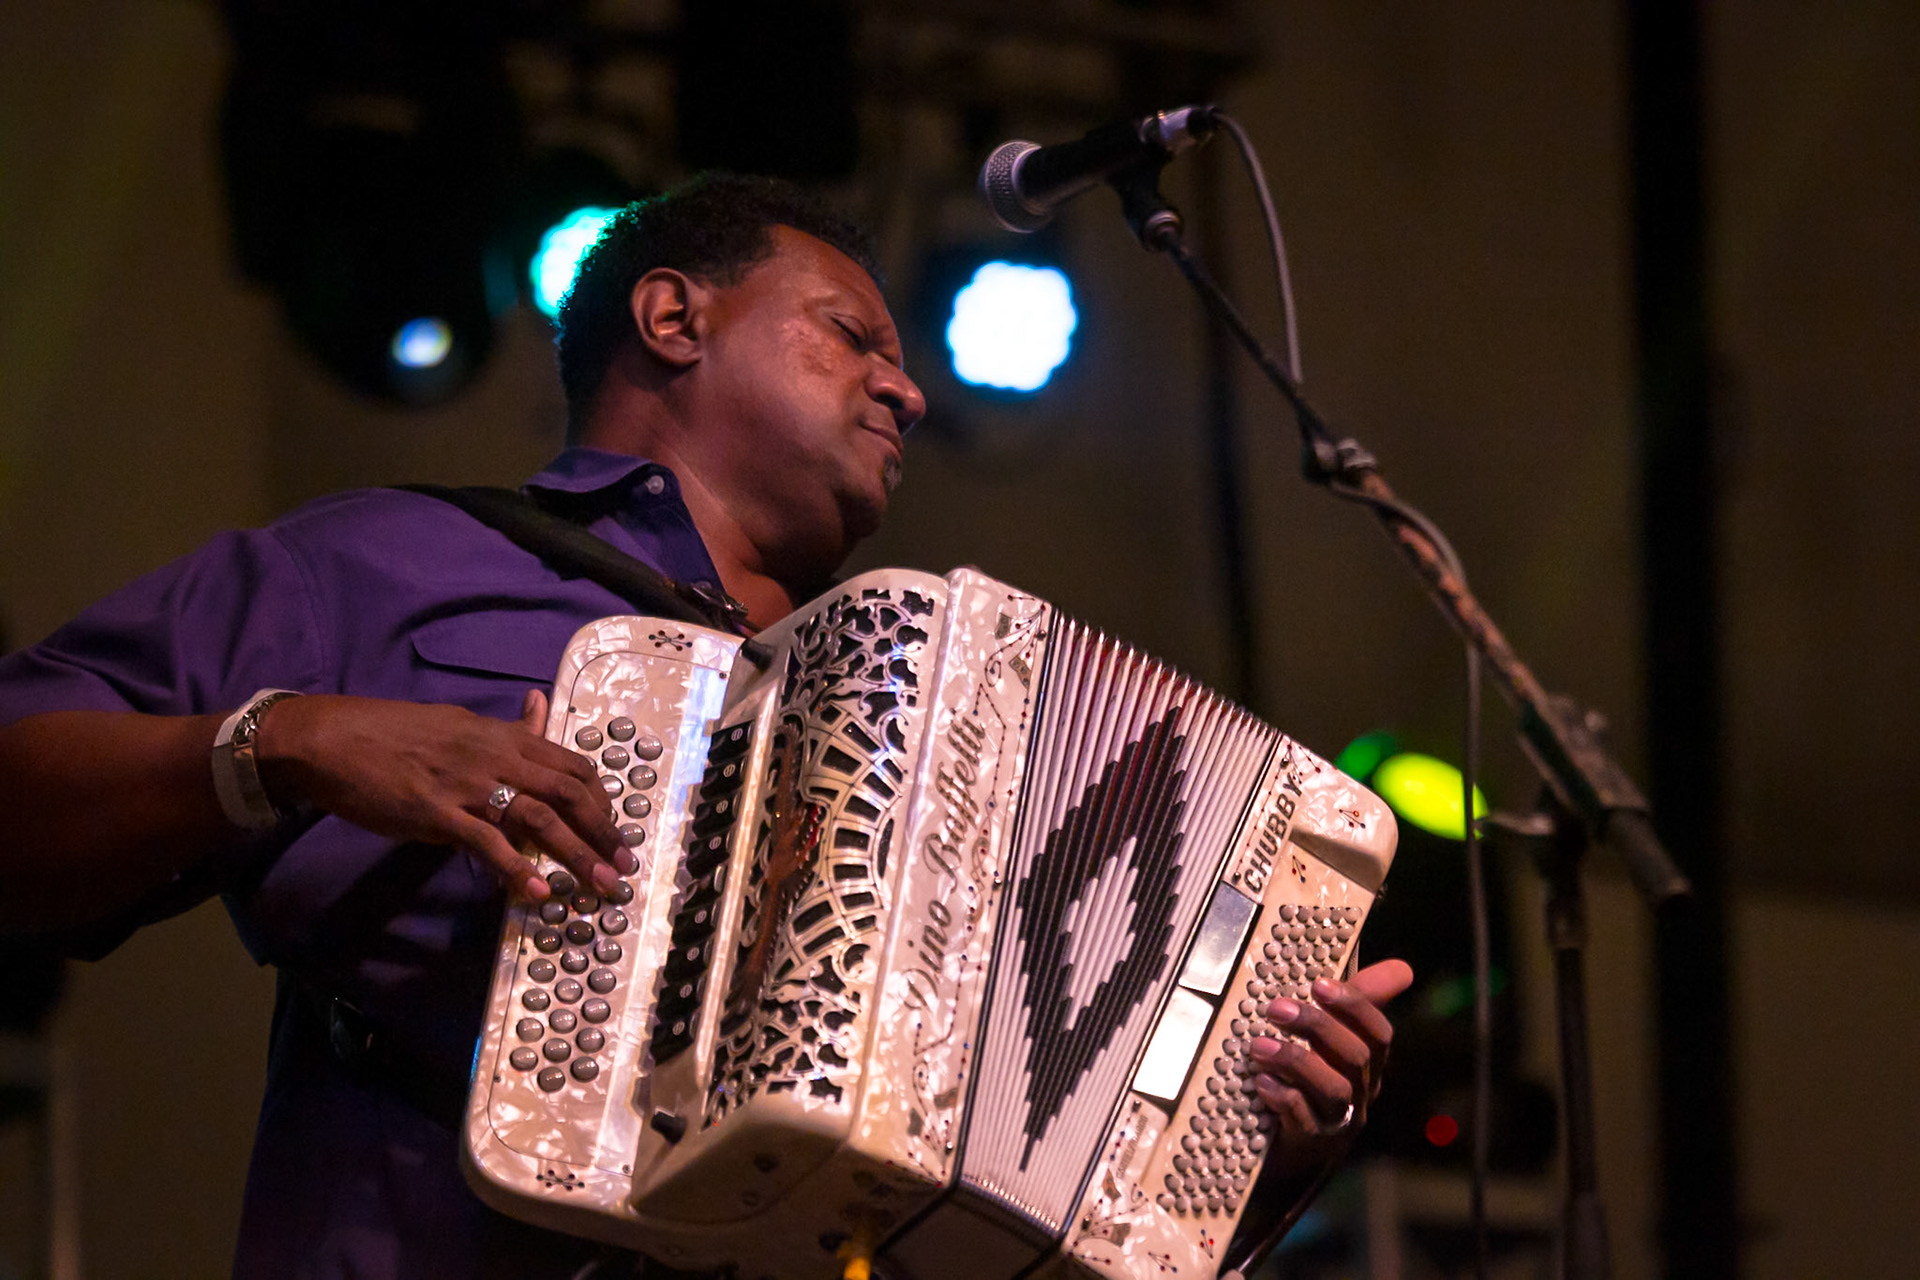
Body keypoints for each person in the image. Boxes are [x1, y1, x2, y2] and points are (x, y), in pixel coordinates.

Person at [0, 173, 1411, 1279]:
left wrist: (1260, 1131)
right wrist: (290, 739)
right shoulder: (385, 566)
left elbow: (1059, 1210)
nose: (909, 388)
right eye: (854, 334)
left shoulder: (941, 729)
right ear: (674, 320)